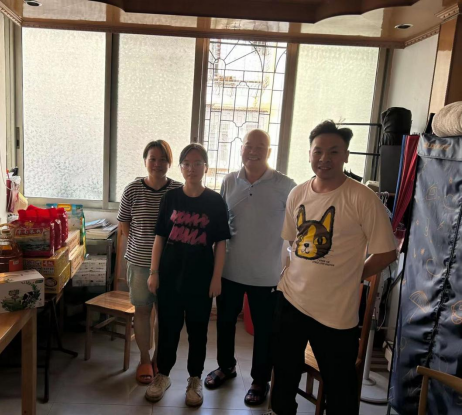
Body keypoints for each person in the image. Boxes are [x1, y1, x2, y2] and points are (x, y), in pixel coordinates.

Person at [269, 120, 397, 415]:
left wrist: (354, 275)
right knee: (284, 372)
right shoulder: (298, 193)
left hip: (336, 312)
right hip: (291, 300)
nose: (324, 158)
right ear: (309, 154)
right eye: (318, 151)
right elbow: (291, 241)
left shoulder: (362, 197)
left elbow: (387, 252)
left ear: (346, 155)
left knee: (340, 387)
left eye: (334, 151)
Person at [204, 129, 296, 406]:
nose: (253, 151)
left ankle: (259, 380)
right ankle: (226, 366)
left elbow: (296, 228)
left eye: (260, 146)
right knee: (225, 322)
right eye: (248, 145)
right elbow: (221, 224)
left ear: (269, 151)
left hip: (266, 275)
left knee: (264, 330)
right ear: (241, 148)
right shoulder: (229, 181)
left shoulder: (286, 185)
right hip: (230, 269)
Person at [145, 143, 231, 407]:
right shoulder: (170, 198)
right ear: (180, 168)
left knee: (198, 331)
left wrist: (216, 278)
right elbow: (159, 238)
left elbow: (221, 244)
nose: (191, 168)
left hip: (201, 279)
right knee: (168, 329)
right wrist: (154, 272)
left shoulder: (215, 201)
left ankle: (195, 379)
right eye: (186, 164)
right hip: (169, 276)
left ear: (206, 167)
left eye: (197, 163)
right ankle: (162, 375)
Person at [117, 140, 182, 384]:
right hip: (139, 263)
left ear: (170, 162)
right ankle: (144, 358)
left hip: (170, 265)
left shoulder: (177, 190)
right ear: (145, 161)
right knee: (143, 311)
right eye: (152, 158)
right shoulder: (133, 189)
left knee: (164, 314)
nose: (157, 164)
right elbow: (124, 225)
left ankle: (158, 358)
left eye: (163, 159)